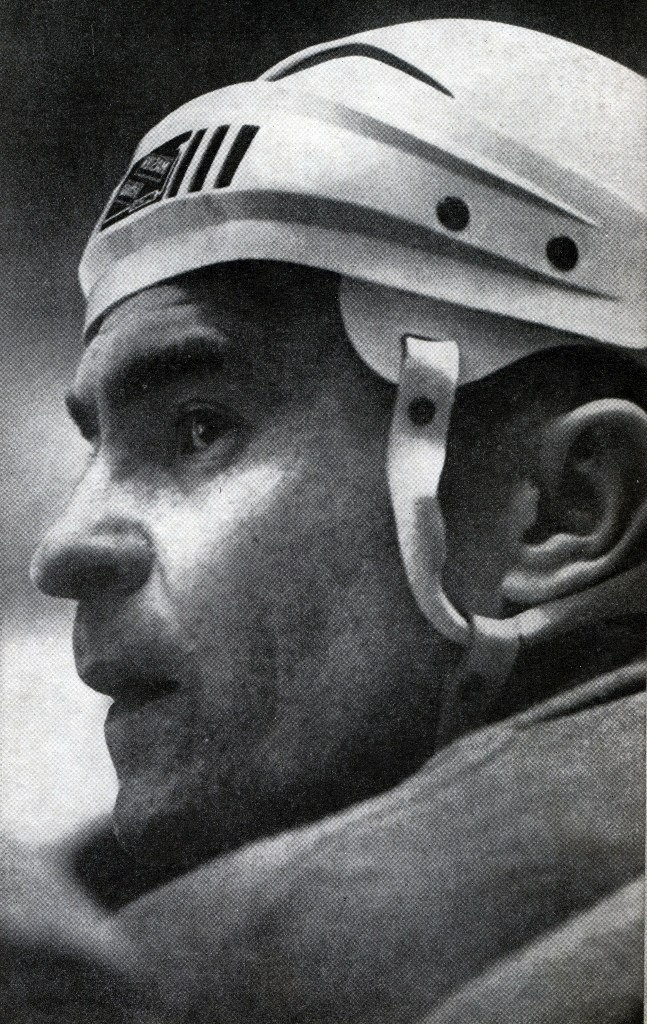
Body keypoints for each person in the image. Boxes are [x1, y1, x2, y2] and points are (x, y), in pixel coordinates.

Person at [4, 17, 644, 1023]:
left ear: (561, 507)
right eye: (98, 449)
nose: (65, 547)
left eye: (200, 428)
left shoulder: (213, 973)